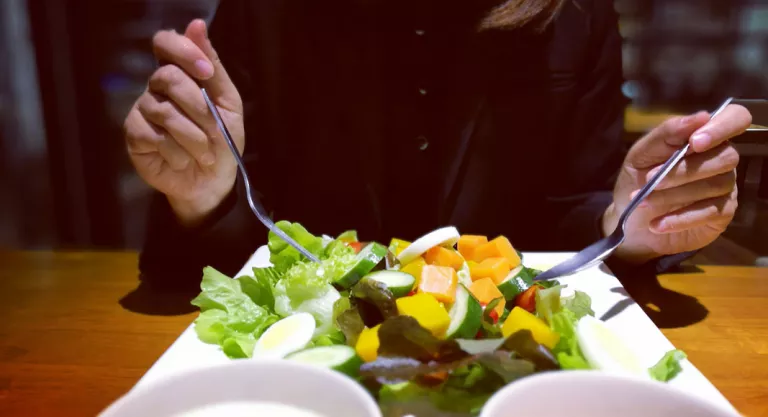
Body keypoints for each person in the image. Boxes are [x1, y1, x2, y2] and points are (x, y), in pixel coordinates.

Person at [123, 0, 751, 291]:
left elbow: (572, 209)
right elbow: (213, 260)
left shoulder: (575, 13)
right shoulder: (271, 12)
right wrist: (203, 194)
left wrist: (627, 225)